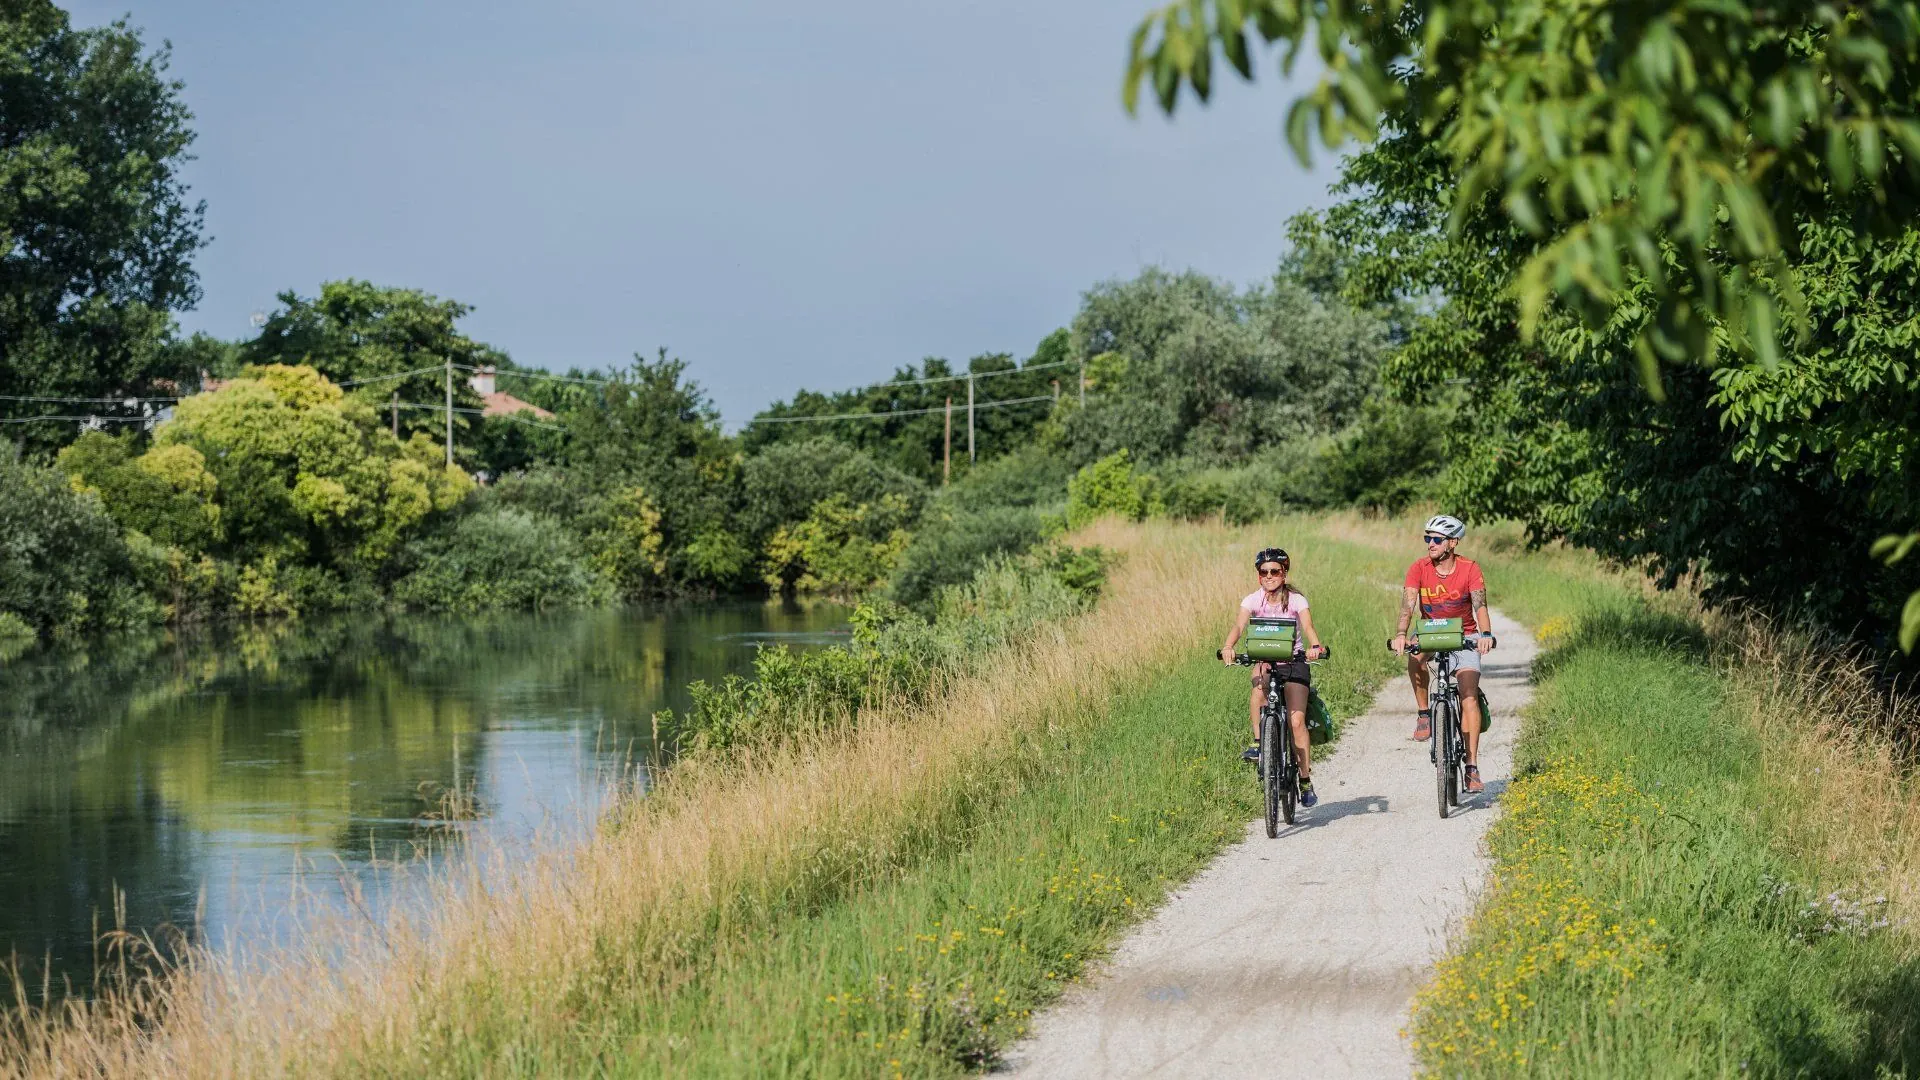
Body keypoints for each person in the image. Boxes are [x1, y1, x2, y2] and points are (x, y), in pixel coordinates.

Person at [1390, 515, 1494, 793]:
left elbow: (1480, 606)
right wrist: (1401, 634)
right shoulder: (1418, 568)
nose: (1430, 544)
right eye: (1427, 539)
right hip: (1431, 630)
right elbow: (1407, 606)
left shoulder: (1470, 568)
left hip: (1465, 633)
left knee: (1469, 693)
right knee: (1415, 657)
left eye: (1436, 539)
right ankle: (1425, 713)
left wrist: (1485, 635)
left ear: (1453, 542)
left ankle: (1471, 767)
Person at [1220, 547, 1328, 808]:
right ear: (1259, 576)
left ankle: (1304, 780)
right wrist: (1228, 646)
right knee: (1258, 687)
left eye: (1275, 571)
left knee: (1297, 720)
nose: (1269, 576)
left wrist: (1315, 647)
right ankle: (1260, 744)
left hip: (1294, 662)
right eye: (1263, 572)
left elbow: (1308, 626)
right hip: (1266, 660)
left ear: (1284, 573)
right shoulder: (1252, 600)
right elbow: (1239, 625)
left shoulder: (1296, 600)